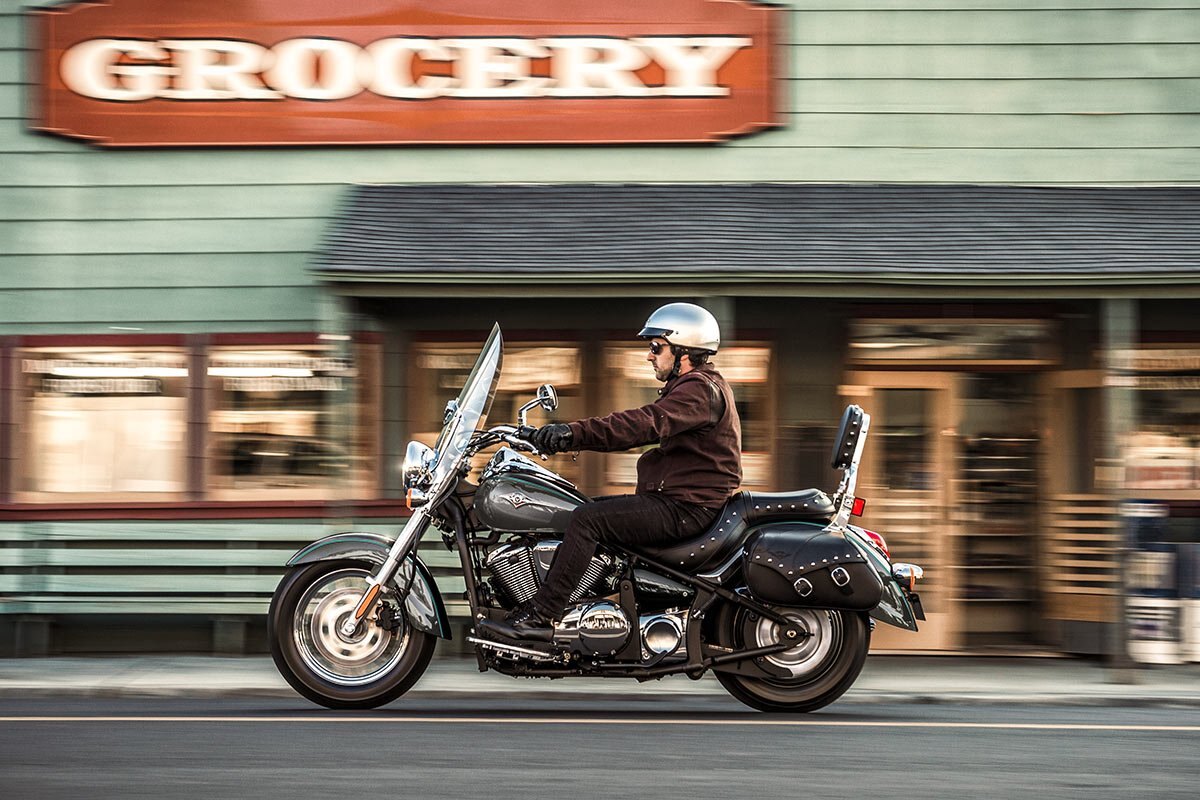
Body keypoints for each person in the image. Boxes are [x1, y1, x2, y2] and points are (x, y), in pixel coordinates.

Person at [481, 302, 742, 642]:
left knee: (587, 519)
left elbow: (639, 424)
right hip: (676, 501)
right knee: (574, 510)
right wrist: (536, 436)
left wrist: (571, 434)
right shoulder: (697, 388)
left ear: (683, 350)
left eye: (656, 347)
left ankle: (542, 615)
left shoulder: (698, 390)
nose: (650, 356)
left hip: (686, 508)